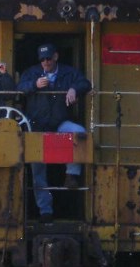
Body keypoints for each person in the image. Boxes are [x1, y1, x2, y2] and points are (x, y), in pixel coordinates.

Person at [18, 44, 91, 221]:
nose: (45, 62)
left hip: (59, 123)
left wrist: (74, 89)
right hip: (36, 126)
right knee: (38, 171)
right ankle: (45, 211)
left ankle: (71, 175)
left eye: (48, 58)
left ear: (56, 57)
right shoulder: (32, 72)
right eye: (42, 59)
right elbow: (19, 88)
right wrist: (34, 85)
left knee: (79, 133)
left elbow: (85, 83)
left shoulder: (68, 72)